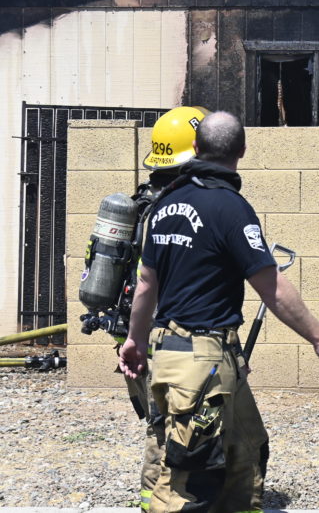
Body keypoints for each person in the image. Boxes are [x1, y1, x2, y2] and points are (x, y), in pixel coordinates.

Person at [119, 111, 319, 513]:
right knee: (190, 483)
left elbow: (146, 284)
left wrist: (135, 340)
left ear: (196, 148)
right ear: (243, 150)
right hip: (201, 364)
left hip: (183, 355)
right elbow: (271, 286)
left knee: (246, 447)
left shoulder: (165, 205)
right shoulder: (230, 207)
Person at [83, 105, 208, 511]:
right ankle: (160, 502)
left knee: (165, 425)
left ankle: (161, 500)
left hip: (134, 334)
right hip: (159, 338)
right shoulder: (171, 212)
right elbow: (152, 282)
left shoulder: (143, 203)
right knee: (169, 428)